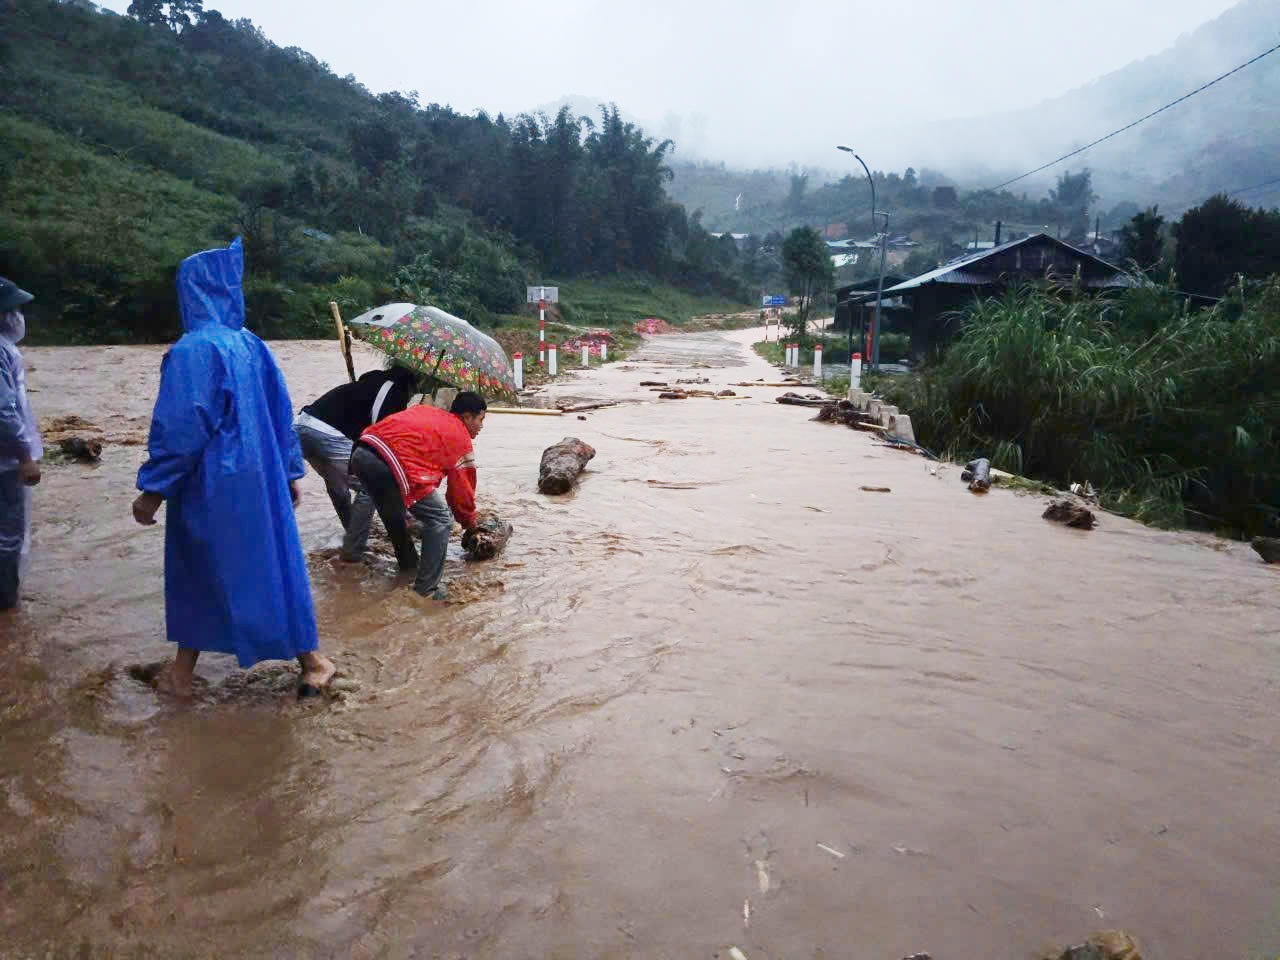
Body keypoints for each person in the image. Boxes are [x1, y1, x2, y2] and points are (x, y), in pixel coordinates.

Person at [131, 239, 334, 698]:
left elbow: (182, 427)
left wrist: (153, 490)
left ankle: (184, 676)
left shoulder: (192, 350)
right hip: (260, 480)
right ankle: (310, 661)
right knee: (274, 564)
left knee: (198, 569)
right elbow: (280, 410)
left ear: (190, 292)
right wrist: (287, 473)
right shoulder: (250, 344)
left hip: (213, 484)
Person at [343, 391, 485, 598]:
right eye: (481, 419)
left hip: (361, 452)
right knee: (440, 518)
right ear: (466, 417)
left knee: (393, 513)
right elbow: (460, 495)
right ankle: (426, 591)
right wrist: (471, 526)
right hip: (387, 461)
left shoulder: (427, 411)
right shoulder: (460, 436)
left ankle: (407, 566)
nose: (482, 426)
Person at [294, 365, 418, 528]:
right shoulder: (394, 391)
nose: (410, 399)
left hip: (302, 426)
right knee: (371, 483)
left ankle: (351, 530)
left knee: (337, 485)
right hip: (327, 433)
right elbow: (380, 435)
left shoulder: (370, 384)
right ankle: (359, 543)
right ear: (408, 385)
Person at [0, 278, 41, 611]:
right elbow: (4, 410)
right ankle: (7, 605)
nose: (18, 317)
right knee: (9, 535)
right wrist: (26, 454)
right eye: (12, 310)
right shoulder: (2, 351)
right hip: (6, 461)